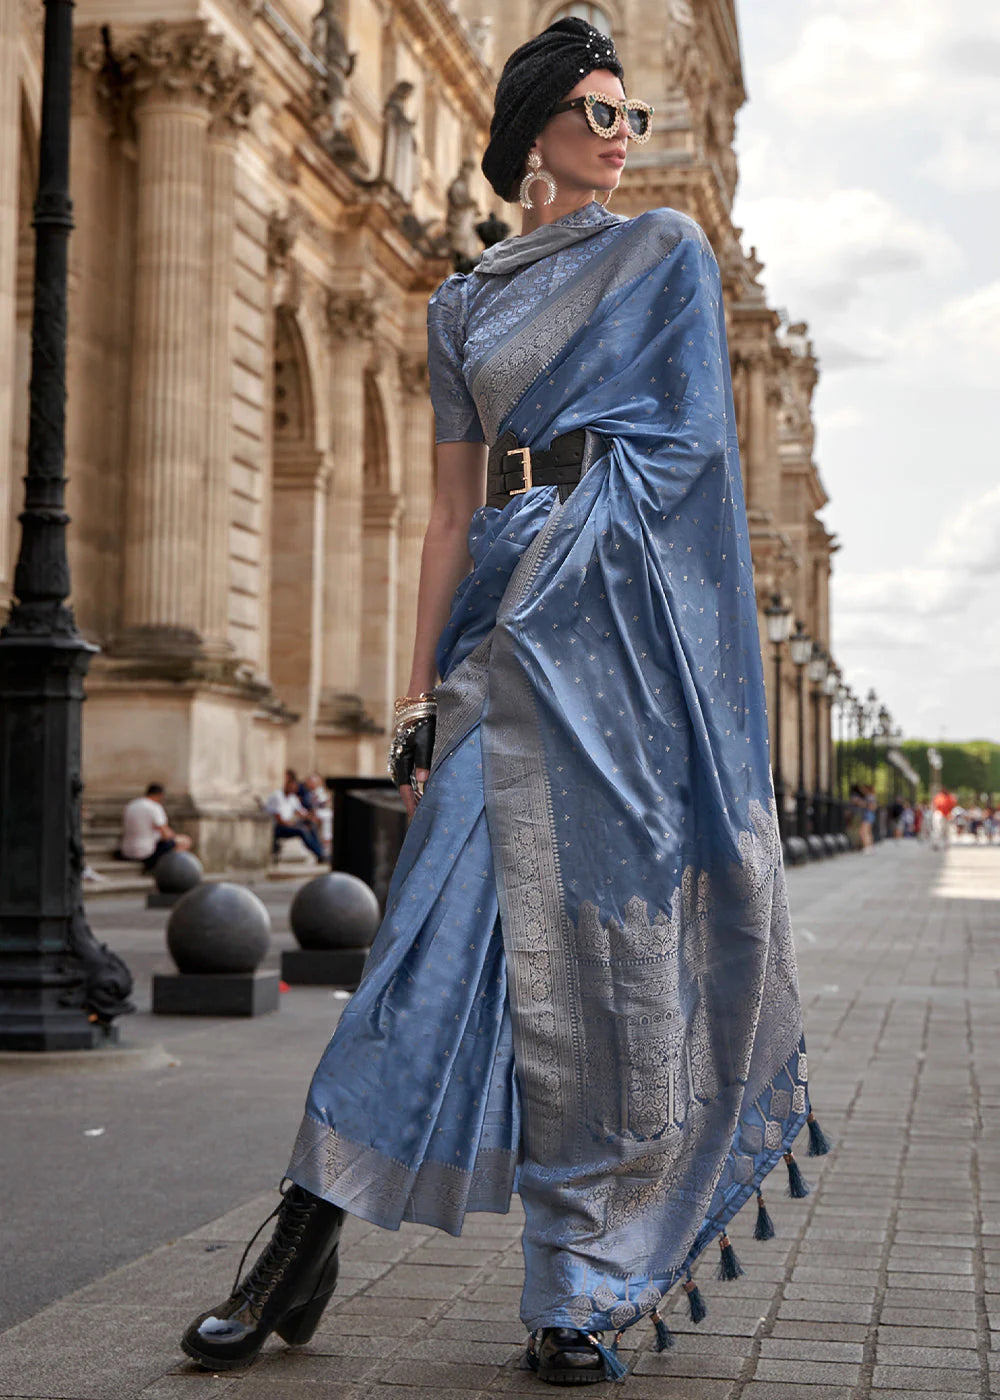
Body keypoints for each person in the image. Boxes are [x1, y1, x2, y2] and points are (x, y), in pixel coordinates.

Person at [181, 20, 826, 1385]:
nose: (619, 133)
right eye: (596, 111)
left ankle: (577, 1292)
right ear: (531, 129)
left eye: (630, 115)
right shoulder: (461, 306)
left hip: (618, 654)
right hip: (504, 644)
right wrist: (422, 698)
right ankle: (302, 1240)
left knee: (603, 972)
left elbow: (696, 459)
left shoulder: (666, 256)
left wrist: (595, 544)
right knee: (413, 949)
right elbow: (444, 513)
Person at [118, 783, 192, 872]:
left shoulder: (131, 805)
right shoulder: (154, 807)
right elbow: (166, 834)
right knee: (183, 841)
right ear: (160, 795)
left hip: (126, 851)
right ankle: (172, 871)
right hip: (146, 853)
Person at [265, 770, 325, 862]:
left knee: (312, 826)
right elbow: (278, 819)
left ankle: (321, 853)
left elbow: (301, 813)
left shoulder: (292, 798)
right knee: (301, 830)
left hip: (288, 824)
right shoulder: (277, 796)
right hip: (277, 827)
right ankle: (318, 853)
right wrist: (294, 824)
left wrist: (311, 818)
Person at [931, 785, 957, 850]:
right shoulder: (938, 796)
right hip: (939, 814)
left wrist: (949, 813)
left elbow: (952, 806)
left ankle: (946, 844)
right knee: (937, 829)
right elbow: (935, 805)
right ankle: (936, 843)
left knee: (947, 831)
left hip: (947, 815)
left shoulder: (950, 797)